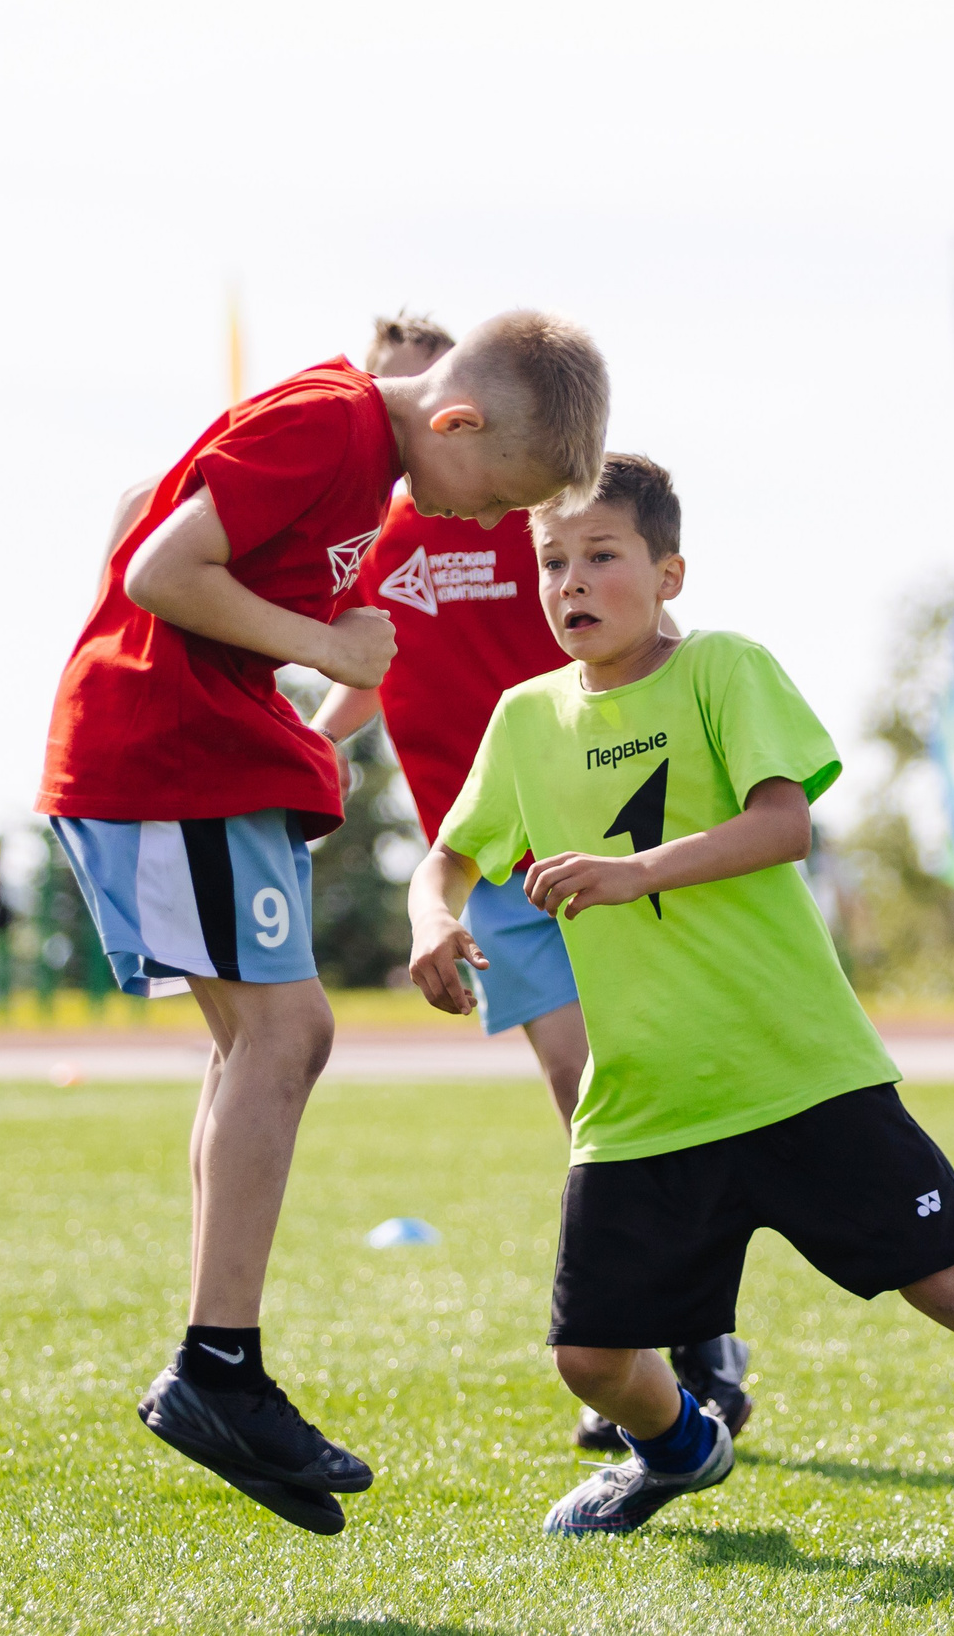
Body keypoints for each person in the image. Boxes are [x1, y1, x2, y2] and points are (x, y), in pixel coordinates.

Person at [405, 458, 954, 1556]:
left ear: (667, 571)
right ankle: (681, 1449)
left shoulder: (723, 670)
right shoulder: (522, 719)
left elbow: (783, 825)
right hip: (645, 1100)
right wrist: (428, 922)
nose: (572, 582)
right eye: (552, 562)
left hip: (797, 1072)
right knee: (590, 1361)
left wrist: (632, 872)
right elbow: (446, 863)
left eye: (601, 556)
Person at [37, 311, 612, 1536]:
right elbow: (158, 570)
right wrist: (326, 646)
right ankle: (215, 1365)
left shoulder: (359, 445)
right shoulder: (333, 423)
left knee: (267, 1040)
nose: (485, 526)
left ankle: (220, 1364)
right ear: (453, 419)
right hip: (166, 750)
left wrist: (299, 698)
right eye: (494, 495)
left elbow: (160, 495)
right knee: (285, 1034)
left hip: (212, 753)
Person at [307, 315, 751, 1453]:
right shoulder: (372, 536)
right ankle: (662, 1351)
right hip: (499, 864)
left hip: (600, 844)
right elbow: (370, 667)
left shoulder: (518, 513)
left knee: (636, 1086)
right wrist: (311, 747)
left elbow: (627, 625)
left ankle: (692, 1337)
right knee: (584, 1091)